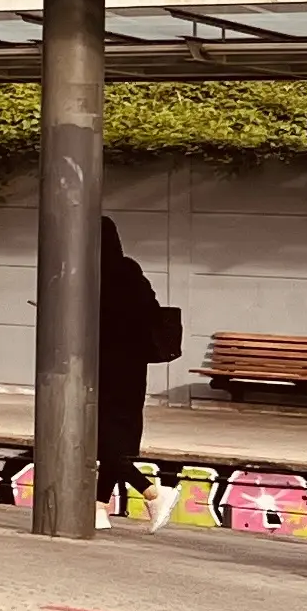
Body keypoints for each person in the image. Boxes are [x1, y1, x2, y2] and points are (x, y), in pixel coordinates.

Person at [97, 220, 173, 524]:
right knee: (112, 437)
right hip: (130, 369)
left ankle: (152, 492)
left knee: (99, 437)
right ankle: (99, 507)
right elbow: (150, 313)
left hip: (104, 366)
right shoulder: (131, 273)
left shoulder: (96, 275)